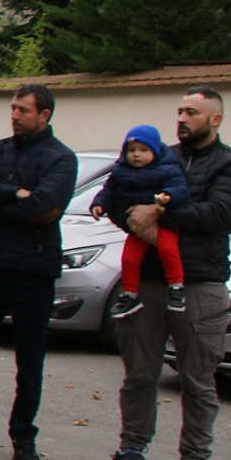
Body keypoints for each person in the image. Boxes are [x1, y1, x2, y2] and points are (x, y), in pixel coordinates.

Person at [101, 86, 231, 460]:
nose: (182, 118)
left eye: (192, 112)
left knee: (198, 381)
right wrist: (139, 219)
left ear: (215, 119)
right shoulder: (154, 154)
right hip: (147, 285)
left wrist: (159, 211)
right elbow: (118, 197)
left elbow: (219, 213)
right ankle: (132, 450)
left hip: (199, 285)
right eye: (180, 111)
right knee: (138, 375)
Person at [0, 84, 77, 460]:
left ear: (44, 114)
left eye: (23, 110)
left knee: (29, 362)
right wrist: (13, 194)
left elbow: (47, 206)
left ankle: (23, 436)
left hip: (34, 270)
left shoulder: (61, 158)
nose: (14, 115)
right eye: (12, 108)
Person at [89, 125, 191, 317]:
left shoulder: (167, 169)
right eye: (131, 150)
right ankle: (129, 294)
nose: (136, 155)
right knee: (129, 258)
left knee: (168, 250)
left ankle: (177, 288)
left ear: (155, 151)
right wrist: (99, 204)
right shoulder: (120, 171)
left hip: (163, 221)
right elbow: (108, 190)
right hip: (136, 226)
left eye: (144, 150)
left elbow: (181, 189)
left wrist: (167, 197)